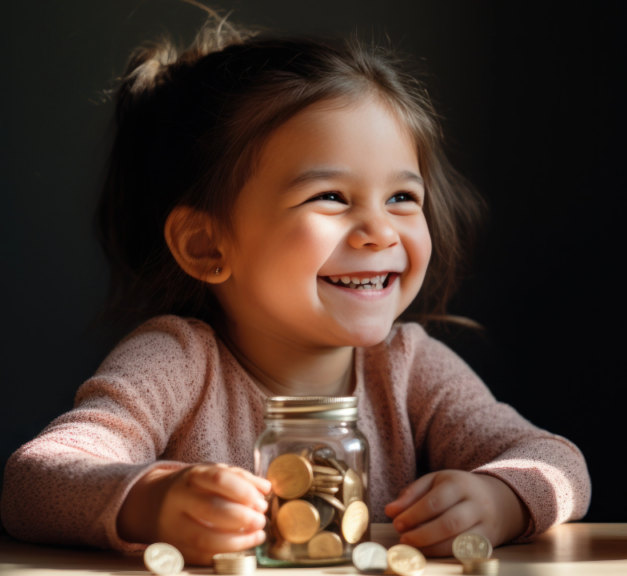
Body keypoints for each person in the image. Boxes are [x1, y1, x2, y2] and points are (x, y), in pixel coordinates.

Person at [0, 6, 591, 565]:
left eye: (402, 198)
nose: (379, 230)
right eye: (331, 197)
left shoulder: (409, 367)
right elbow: (33, 481)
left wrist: (502, 501)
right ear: (208, 246)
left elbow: (558, 466)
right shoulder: (177, 363)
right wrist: (150, 499)